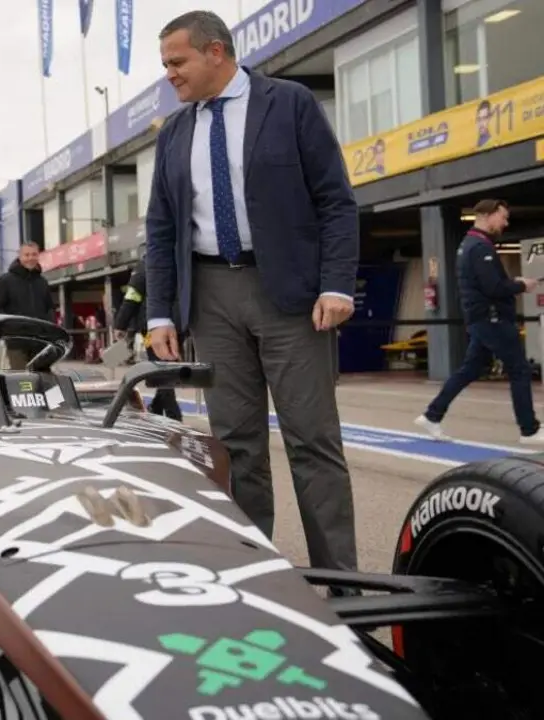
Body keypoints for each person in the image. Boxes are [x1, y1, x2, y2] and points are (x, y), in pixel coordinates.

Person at [144, 10, 359, 573]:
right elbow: (161, 229)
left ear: (215, 52)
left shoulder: (289, 104)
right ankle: (254, 575)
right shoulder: (175, 133)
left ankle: (342, 582)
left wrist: (337, 283)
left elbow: (336, 201)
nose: (169, 74)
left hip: (290, 295)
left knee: (312, 442)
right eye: (165, 64)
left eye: (177, 61)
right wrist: (160, 313)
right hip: (211, 297)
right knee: (235, 445)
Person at [416, 200, 544, 443]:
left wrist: (515, 283)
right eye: (502, 217)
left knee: (471, 369)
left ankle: (432, 415)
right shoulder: (479, 247)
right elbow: (493, 288)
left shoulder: (470, 244)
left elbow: (488, 284)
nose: (505, 223)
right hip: (492, 318)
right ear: (487, 215)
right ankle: (529, 430)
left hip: (482, 319)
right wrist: (520, 285)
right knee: (519, 370)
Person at [113, 257, 182, 421]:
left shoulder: (144, 267)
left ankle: (174, 415)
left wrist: (120, 324)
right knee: (166, 368)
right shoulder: (177, 262)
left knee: (160, 368)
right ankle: (156, 408)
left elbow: (132, 297)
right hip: (178, 325)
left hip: (152, 327)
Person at [0, 242, 55, 368]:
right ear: (19, 256)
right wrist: (11, 326)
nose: (30, 258)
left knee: (42, 376)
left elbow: (49, 308)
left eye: (34, 254)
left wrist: (49, 328)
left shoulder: (42, 282)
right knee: (21, 376)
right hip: (16, 341)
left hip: (41, 342)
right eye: (26, 255)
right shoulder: (6, 280)